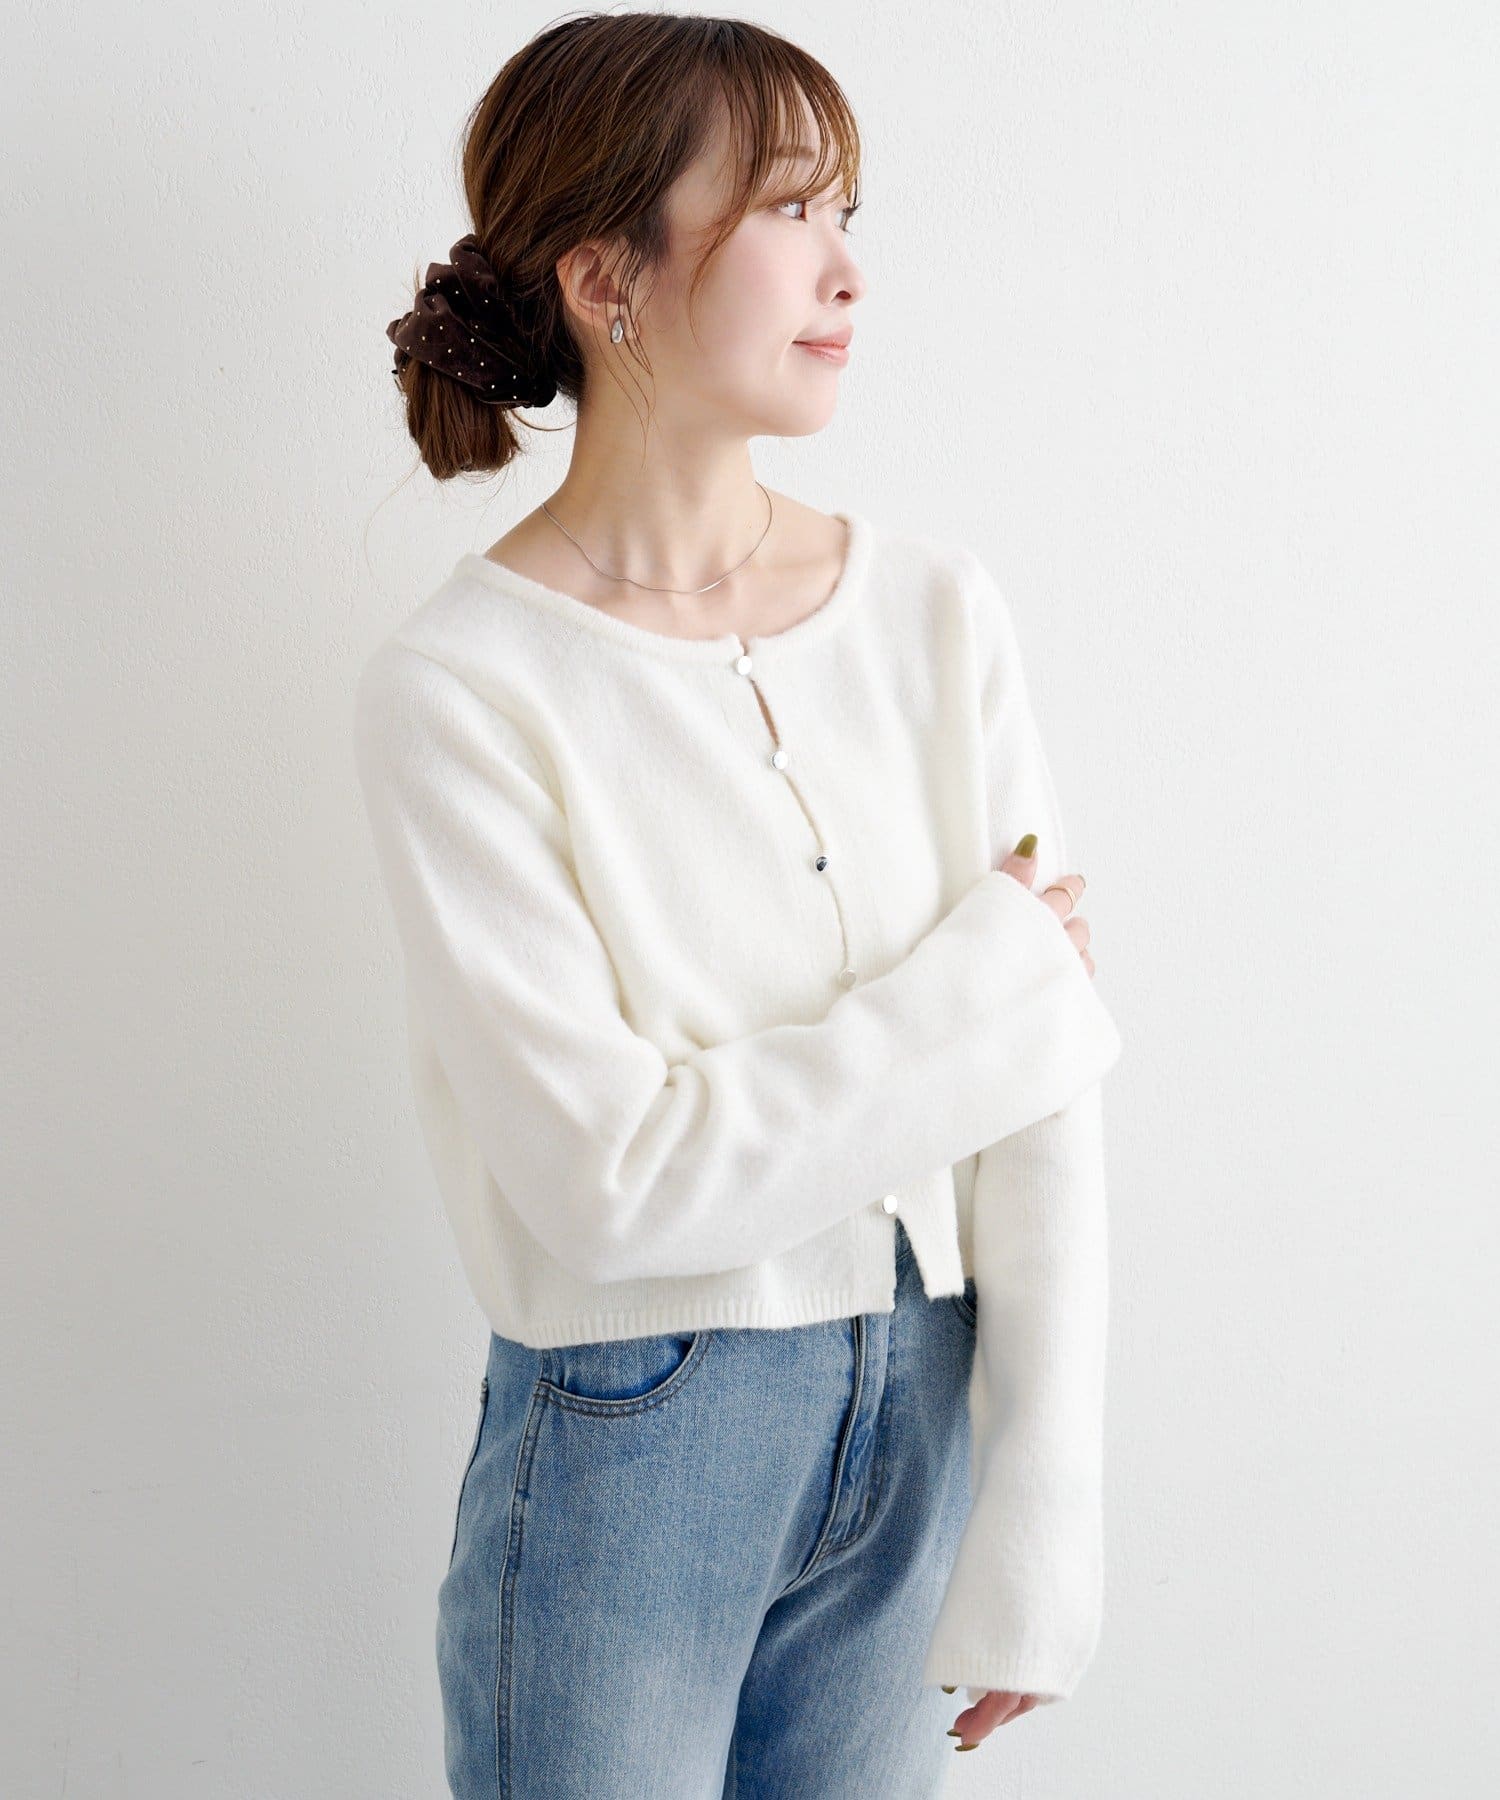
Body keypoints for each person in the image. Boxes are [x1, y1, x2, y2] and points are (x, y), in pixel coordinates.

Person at [355, 13, 1124, 1796]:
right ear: (605, 276)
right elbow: (615, 1186)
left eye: (849, 210)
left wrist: (1045, 1502)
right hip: (634, 1438)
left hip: (925, 1388)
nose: (848, 269)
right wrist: (992, 995)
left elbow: (1046, 1100)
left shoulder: (935, 611)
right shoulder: (462, 691)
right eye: (788, 209)